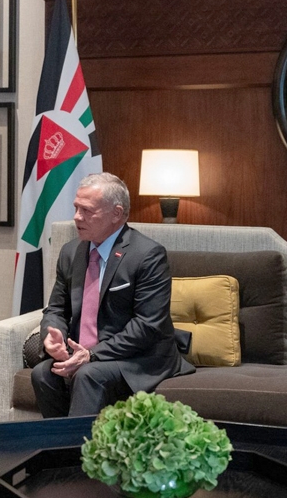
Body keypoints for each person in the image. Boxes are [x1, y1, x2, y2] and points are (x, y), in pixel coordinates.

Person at [31, 172, 192, 418]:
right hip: (84, 351)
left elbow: (148, 325)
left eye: (87, 210)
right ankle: (60, 442)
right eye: (76, 208)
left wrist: (92, 355)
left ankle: (81, 444)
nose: (77, 217)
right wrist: (54, 335)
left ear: (116, 213)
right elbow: (56, 309)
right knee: (43, 373)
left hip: (138, 356)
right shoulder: (71, 252)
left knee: (88, 375)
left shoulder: (147, 255)